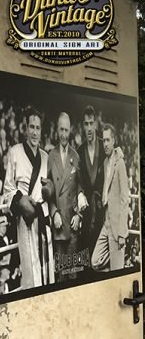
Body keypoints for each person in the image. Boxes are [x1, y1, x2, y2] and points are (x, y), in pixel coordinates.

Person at [3, 107, 53, 289]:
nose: (34, 132)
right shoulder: (15, 152)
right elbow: (8, 188)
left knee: (47, 268)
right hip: (26, 219)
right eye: (31, 127)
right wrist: (21, 200)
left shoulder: (45, 157)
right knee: (30, 268)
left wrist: (49, 189)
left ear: (41, 131)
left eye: (38, 128)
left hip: (43, 216)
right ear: (25, 129)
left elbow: (49, 189)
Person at [46, 113, 86, 282]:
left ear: (70, 131)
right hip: (59, 224)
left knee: (73, 275)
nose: (63, 134)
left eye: (66, 130)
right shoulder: (50, 156)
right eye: (61, 130)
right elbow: (47, 190)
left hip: (72, 224)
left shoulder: (76, 156)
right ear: (57, 130)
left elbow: (80, 188)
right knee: (61, 276)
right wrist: (54, 212)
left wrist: (79, 215)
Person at [91, 124, 129, 272]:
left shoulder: (120, 163)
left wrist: (122, 233)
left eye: (108, 140)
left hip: (116, 226)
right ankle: (118, 260)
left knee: (117, 272)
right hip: (106, 223)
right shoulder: (106, 162)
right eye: (104, 140)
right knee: (95, 261)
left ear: (114, 141)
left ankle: (119, 260)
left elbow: (124, 199)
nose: (105, 144)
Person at [78, 105, 105, 255]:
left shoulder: (104, 146)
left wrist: (119, 152)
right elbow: (78, 182)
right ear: (83, 126)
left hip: (102, 211)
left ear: (95, 124)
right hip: (87, 213)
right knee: (87, 256)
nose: (89, 128)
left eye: (91, 123)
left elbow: (115, 155)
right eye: (86, 124)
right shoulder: (79, 151)